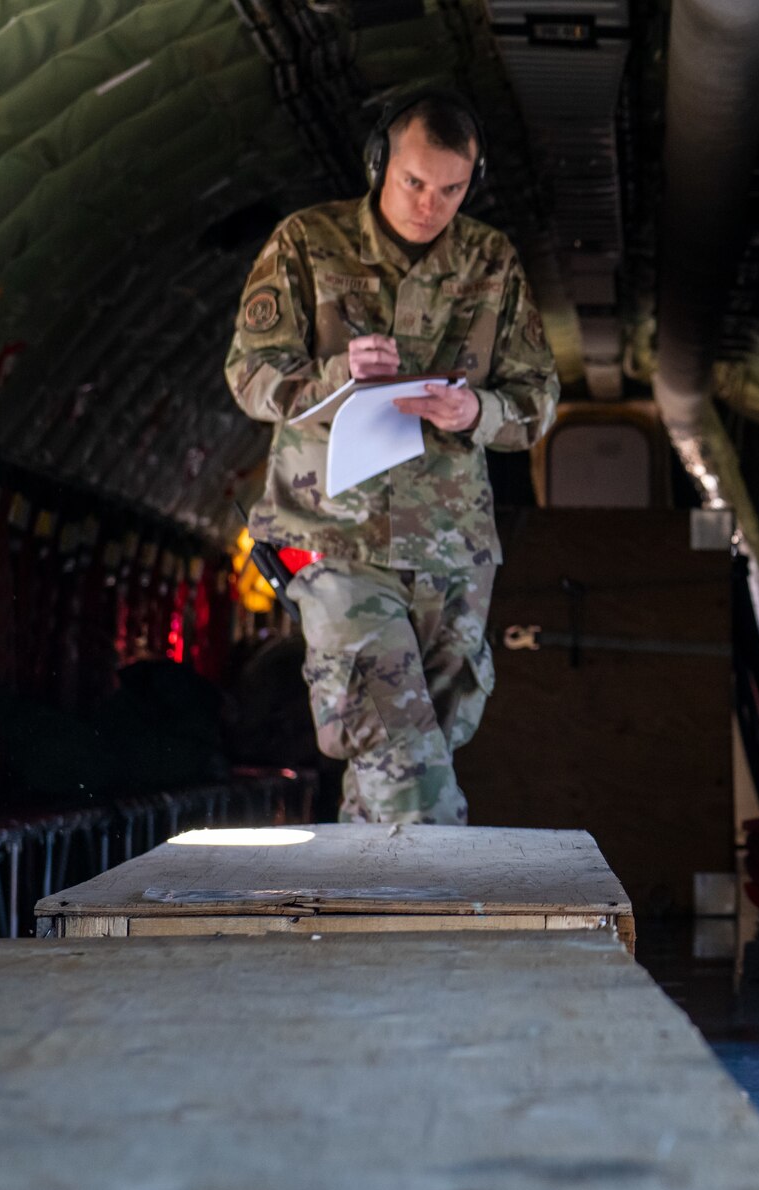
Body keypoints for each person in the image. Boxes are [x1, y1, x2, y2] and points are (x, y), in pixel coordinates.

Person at [223, 91, 557, 825]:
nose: (429, 203)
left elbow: (538, 398)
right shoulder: (307, 243)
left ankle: (362, 907)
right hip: (332, 536)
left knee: (420, 735)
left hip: (451, 545)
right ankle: (432, 900)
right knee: (396, 737)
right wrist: (338, 374)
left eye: (451, 188)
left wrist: (478, 411)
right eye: (413, 182)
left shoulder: (489, 260)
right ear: (379, 165)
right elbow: (249, 377)